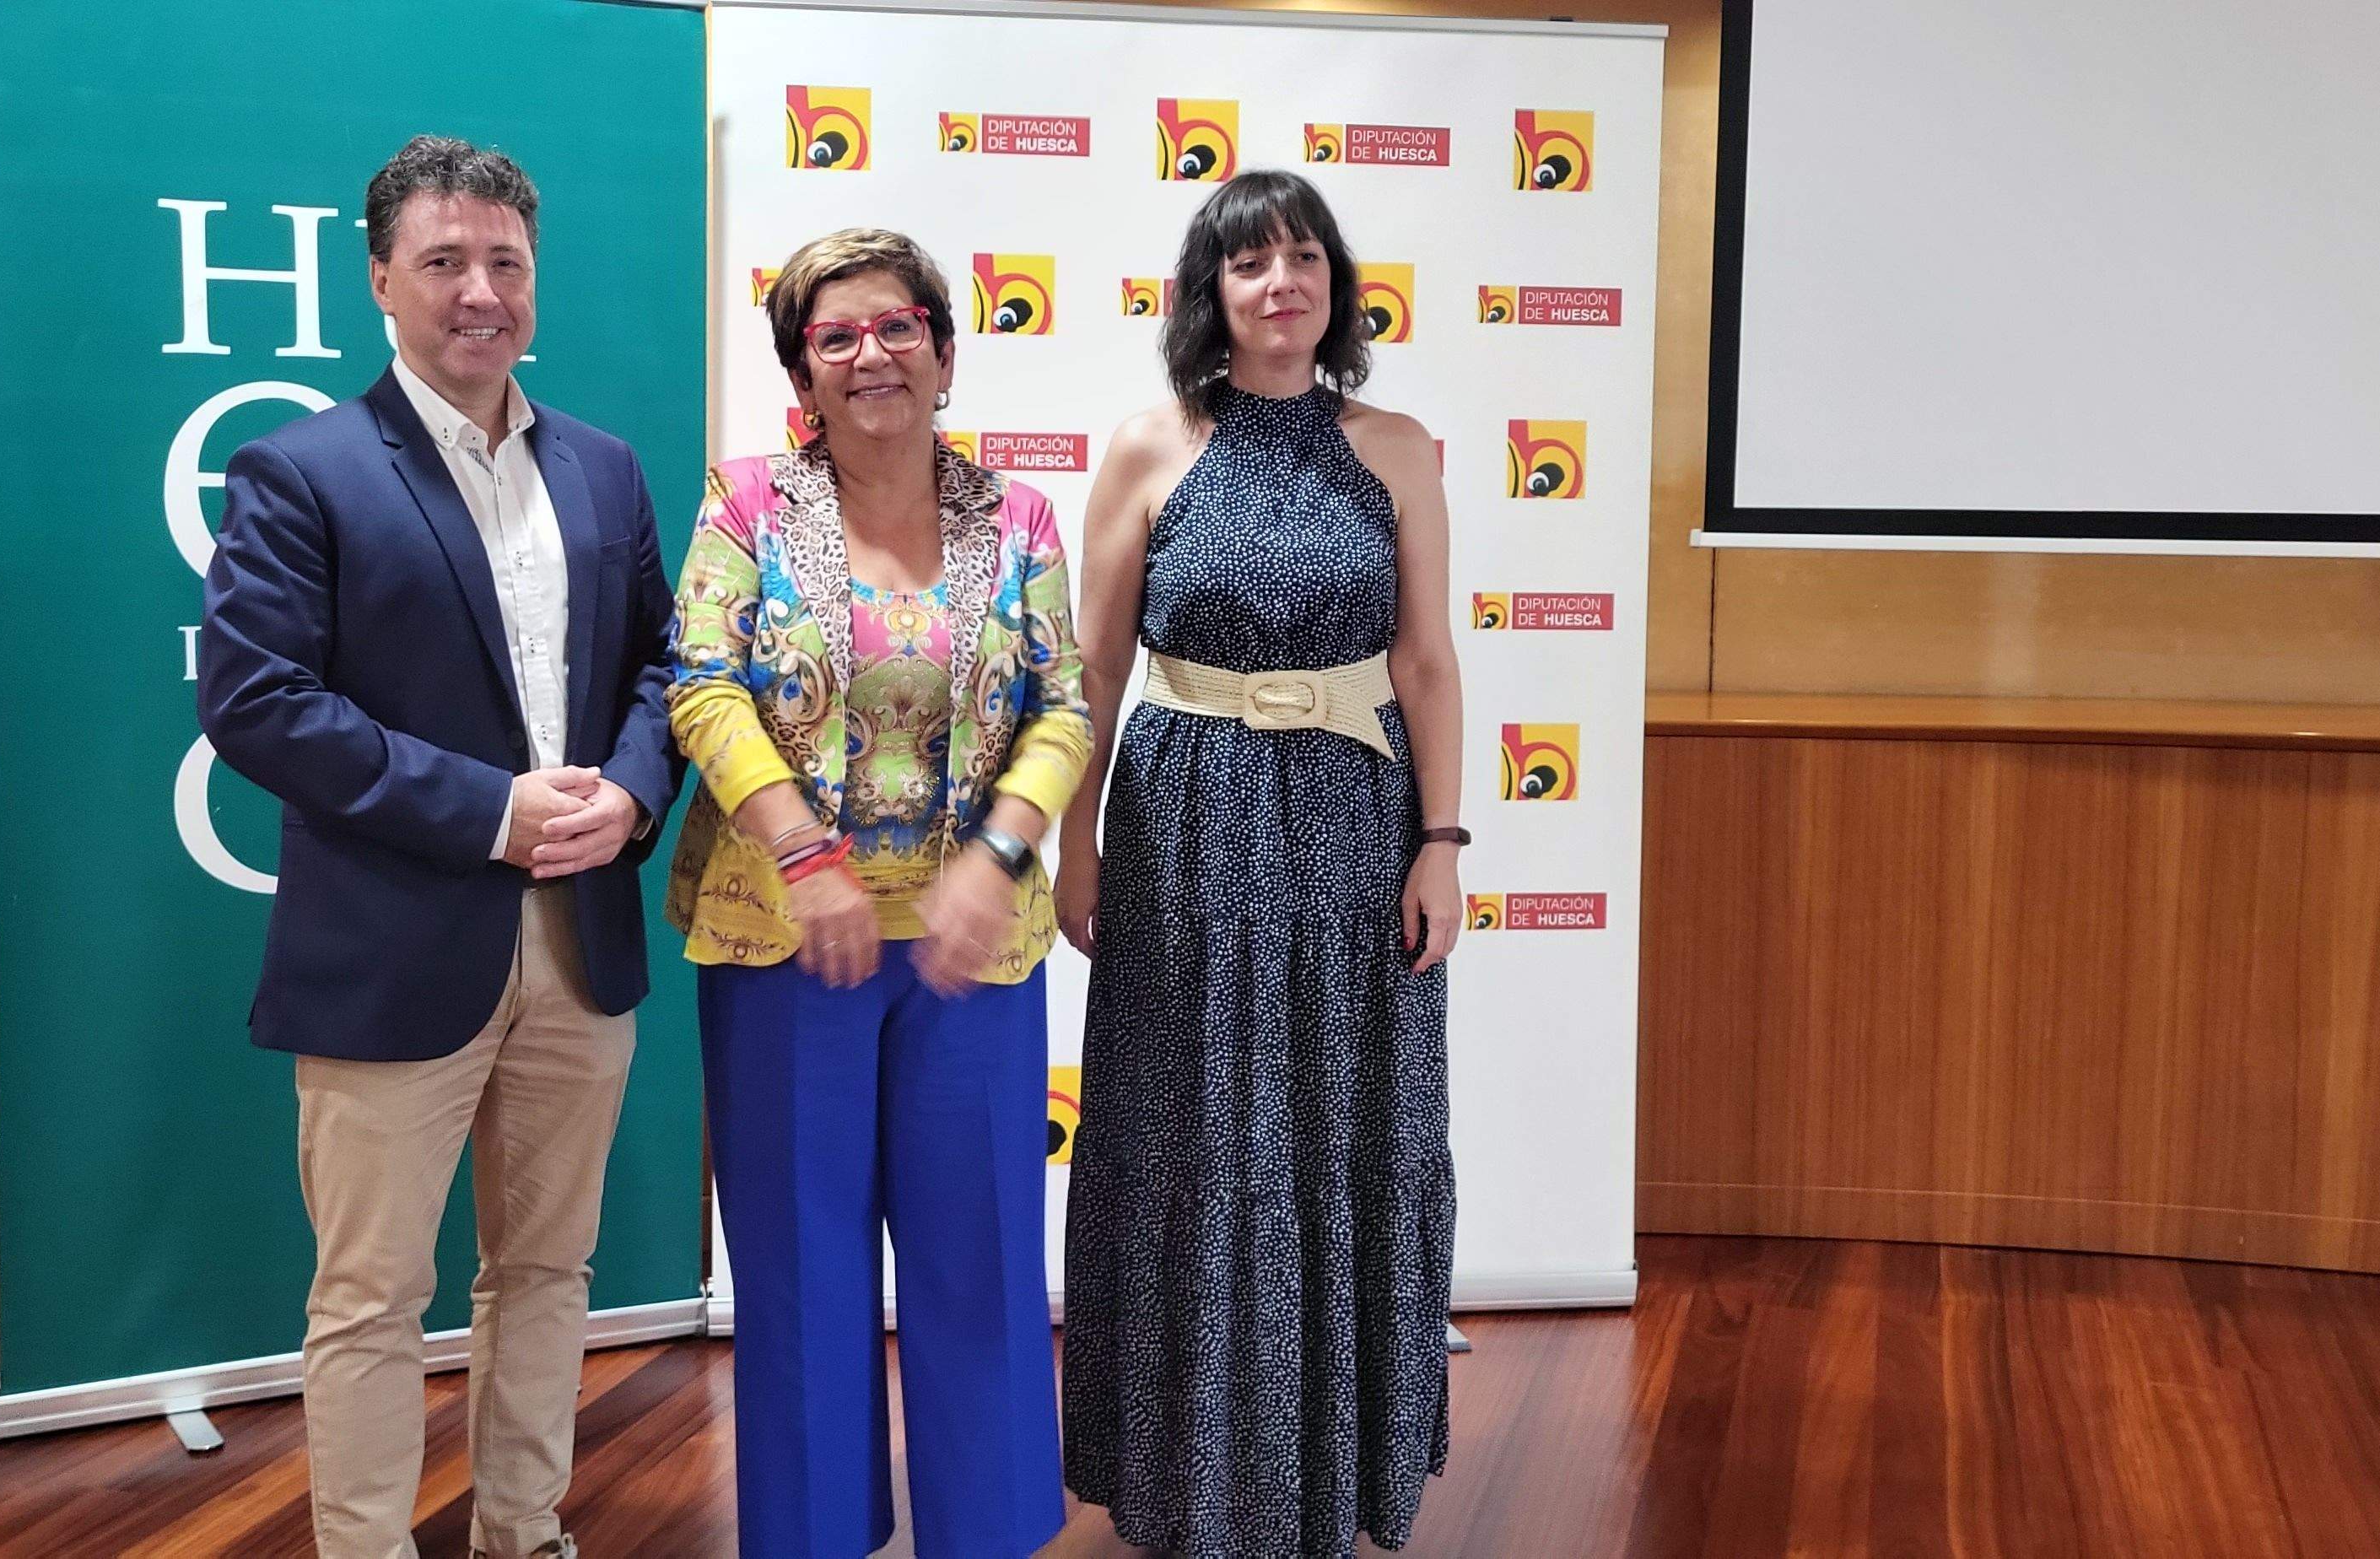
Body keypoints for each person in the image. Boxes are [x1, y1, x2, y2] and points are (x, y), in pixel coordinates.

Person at [197, 135, 681, 1559]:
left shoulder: (604, 469)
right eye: (445, 263)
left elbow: (666, 668)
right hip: (395, 945)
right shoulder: (300, 470)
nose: (481, 292)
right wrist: (491, 810)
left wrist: (636, 797)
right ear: (381, 281)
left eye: (506, 264)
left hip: (579, 946)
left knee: (546, 1273)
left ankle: (524, 1534)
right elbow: (259, 703)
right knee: (368, 1298)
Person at [1055, 169, 1469, 1556]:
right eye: (1250, 265)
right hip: (1183, 833)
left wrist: (1445, 844)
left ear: (1336, 285)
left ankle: (1337, 1469)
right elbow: (1097, 670)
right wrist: (1073, 837)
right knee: (1193, 1130)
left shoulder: (1400, 446)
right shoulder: (1149, 445)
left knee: (1343, 1130)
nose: (1280, 283)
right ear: (1209, 294)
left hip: (1356, 828)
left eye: (1303, 258)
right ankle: (1184, 1475)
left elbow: (1424, 661)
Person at [666, 226, 1087, 1559]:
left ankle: (990, 1534)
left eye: (898, 326)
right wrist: (806, 858)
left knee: (984, 1277)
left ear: (945, 350)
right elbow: (702, 684)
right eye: (835, 336)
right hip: (786, 945)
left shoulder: (1014, 516)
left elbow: (1066, 707)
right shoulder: (744, 506)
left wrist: (1002, 852)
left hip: (976, 953)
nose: (871, 355)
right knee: (800, 1283)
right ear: (803, 369)